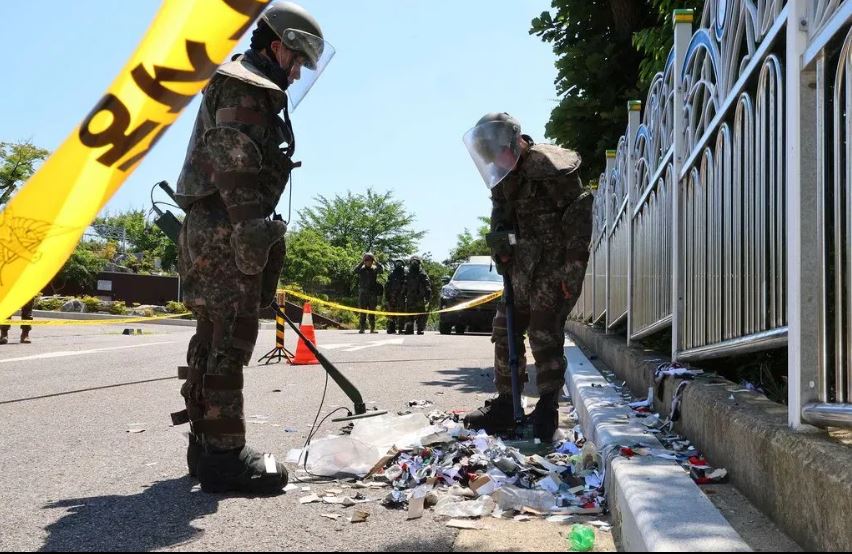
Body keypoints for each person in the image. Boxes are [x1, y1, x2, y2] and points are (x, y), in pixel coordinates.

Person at [170, 1, 334, 495]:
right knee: (229, 338)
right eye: (297, 57)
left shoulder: (241, 80)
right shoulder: (249, 83)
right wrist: (251, 229)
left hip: (214, 223)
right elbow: (233, 156)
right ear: (277, 44)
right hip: (227, 225)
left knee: (211, 336)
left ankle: (205, 445)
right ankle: (224, 457)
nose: (298, 68)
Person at [461, 112, 593, 442]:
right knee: (504, 329)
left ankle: (547, 408)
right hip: (520, 267)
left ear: (516, 143)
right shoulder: (502, 175)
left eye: (498, 153)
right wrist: (500, 246)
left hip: (553, 266)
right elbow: (500, 217)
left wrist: (572, 271)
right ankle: (507, 403)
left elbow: (579, 216)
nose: (496, 161)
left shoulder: (551, 167)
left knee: (543, 333)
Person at [353, 252, 384, 334]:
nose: (368, 262)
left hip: (372, 294)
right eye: (366, 260)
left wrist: (376, 261)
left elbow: (382, 270)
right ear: (364, 261)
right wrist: (362, 261)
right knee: (362, 312)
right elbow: (355, 270)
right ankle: (362, 328)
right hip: (363, 294)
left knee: (372, 312)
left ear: (372, 261)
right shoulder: (361, 270)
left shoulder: (374, 269)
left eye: (370, 260)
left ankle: (372, 328)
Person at [404, 256, 431, 335]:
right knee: (409, 313)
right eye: (413, 262)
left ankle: (420, 329)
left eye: (416, 262)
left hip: (420, 296)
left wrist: (427, 295)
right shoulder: (408, 273)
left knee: (421, 313)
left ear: (419, 263)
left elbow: (427, 285)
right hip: (410, 296)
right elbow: (405, 284)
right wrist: (403, 293)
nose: (414, 263)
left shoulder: (422, 273)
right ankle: (409, 328)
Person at [384, 259, 407, 334]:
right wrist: (387, 295)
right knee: (391, 313)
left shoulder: (405, 275)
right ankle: (391, 328)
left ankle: (401, 328)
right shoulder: (392, 274)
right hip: (392, 296)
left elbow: (407, 286)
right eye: (397, 263)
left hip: (402, 296)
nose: (399, 265)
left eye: (400, 263)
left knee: (401, 313)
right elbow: (387, 285)